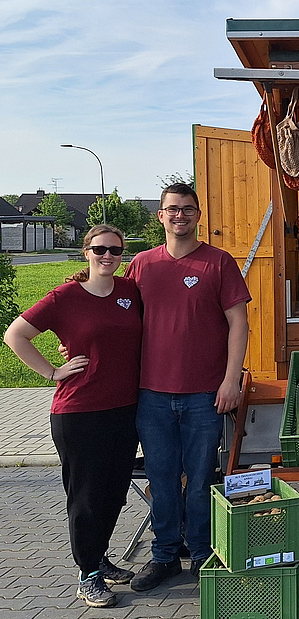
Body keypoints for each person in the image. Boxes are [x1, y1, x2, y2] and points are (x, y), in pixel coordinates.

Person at [4, 225, 141, 608]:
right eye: (100, 249)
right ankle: (87, 575)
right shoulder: (65, 297)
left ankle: (98, 558)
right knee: (86, 496)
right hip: (80, 413)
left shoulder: (130, 292)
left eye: (115, 250)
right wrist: (51, 372)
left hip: (124, 410)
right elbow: (15, 335)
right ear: (87, 252)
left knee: (114, 493)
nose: (107, 256)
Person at [126, 183, 250, 592]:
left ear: (199, 216)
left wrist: (231, 380)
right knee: (161, 478)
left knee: (199, 479)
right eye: (172, 209)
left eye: (188, 210)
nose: (180, 215)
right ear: (160, 215)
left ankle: (200, 552)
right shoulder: (142, 264)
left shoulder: (218, 262)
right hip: (151, 394)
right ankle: (164, 556)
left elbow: (238, 323)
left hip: (203, 394)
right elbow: (116, 321)